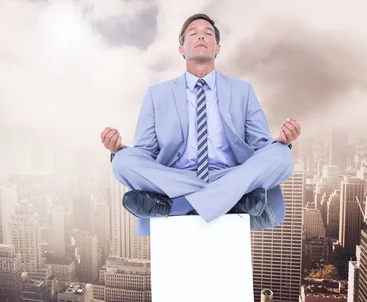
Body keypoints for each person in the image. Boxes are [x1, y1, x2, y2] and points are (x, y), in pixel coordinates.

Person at [100, 13, 301, 237]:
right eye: (193, 34)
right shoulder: (157, 95)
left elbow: (261, 146)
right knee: (122, 162)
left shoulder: (243, 91)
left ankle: (177, 205)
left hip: (230, 174)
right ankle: (234, 201)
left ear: (217, 48)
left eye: (208, 34)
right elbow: (144, 153)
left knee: (282, 157)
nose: (201, 37)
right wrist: (117, 149)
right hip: (176, 176)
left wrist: (282, 141)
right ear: (182, 49)